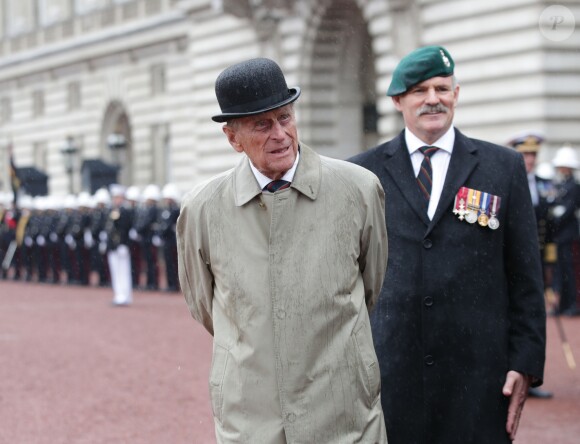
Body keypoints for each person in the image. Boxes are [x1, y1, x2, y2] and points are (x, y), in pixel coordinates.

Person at [177, 57, 388, 443]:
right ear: (232, 137)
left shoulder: (358, 189)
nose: (280, 134)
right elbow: (205, 306)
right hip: (251, 416)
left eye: (285, 118)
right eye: (262, 124)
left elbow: (370, 286)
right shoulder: (201, 209)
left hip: (344, 412)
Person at [349, 46, 546, 444]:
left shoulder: (502, 167)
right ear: (397, 101)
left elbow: (525, 274)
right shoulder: (360, 172)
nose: (433, 99)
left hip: (478, 378)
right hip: (391, 374)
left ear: (457, 93)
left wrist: (524, 362)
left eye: (442, 87)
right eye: (419, 90)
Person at [507, 132, 555, 399]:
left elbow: (550, 228)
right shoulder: (506, 179)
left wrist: (549, 260)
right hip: (513, 259)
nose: (529, 160)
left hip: (536, 257)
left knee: (534, 314)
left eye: (533, 155)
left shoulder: (545, 185)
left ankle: (529, 370)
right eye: (525, 154)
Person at [550, 145, 580, 316]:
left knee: (570, 270)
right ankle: (562, 304)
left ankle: (572, 304)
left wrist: (555, 215)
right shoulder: (561, 185)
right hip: (560, 235)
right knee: (560, 270)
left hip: (569, 234)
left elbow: (566, 210)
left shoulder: (574, 186)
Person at [105, 184, 133, 306]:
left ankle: (125, 295)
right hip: (113, 246)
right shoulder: (112, 210)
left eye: (118, 197)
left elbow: (125, 229)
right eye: (114, 197)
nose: (116, 200)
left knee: (123, 271)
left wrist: (124, 244)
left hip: (121, 245)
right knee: (115, 271)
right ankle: (118, 294)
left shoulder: (125, 211)